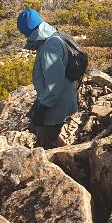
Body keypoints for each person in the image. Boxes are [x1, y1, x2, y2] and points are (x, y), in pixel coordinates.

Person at [16, 9, 78, 149]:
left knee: (48, 141)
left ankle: (65, 164)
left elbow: (54, 84)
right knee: (52, 136)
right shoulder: (53, 36)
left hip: (56, 105)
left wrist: (43, 108)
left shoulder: (50, 47)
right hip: (62, 98)